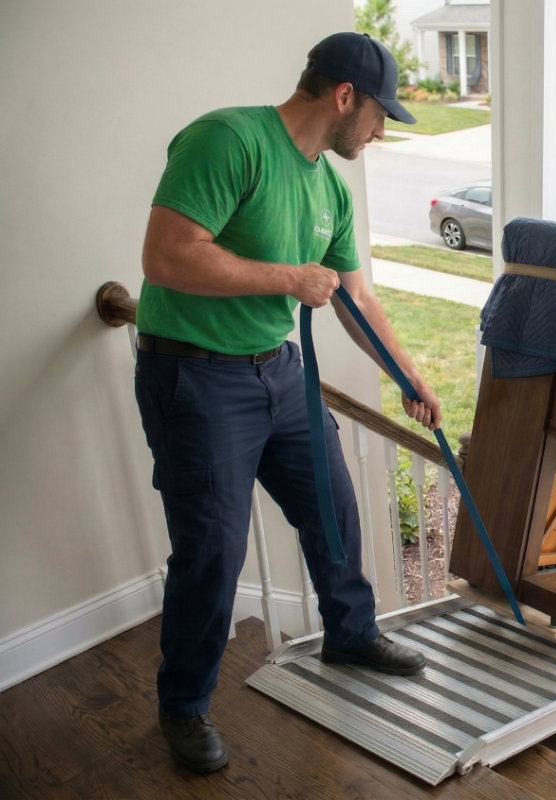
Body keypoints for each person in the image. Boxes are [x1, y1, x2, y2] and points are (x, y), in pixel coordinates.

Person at [134, 32, 441, 773]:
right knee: (212, 552)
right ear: (344, 97)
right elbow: (167, 256)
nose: (377, 131)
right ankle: (183, 705)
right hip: (198, 381)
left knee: (332, 507)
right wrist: (287, 280)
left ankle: (350, 632)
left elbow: (355, 296)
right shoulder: (228, 140)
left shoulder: (326, 184)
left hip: (279, 374)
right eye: (377, 116)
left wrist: (410, 378)